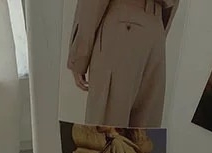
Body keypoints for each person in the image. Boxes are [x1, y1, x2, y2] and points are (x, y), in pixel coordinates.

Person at [67, 0, 178, 128]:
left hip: (123, 25)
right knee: (142, 134)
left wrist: (78, 56)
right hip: (156, 32)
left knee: (105, 131)